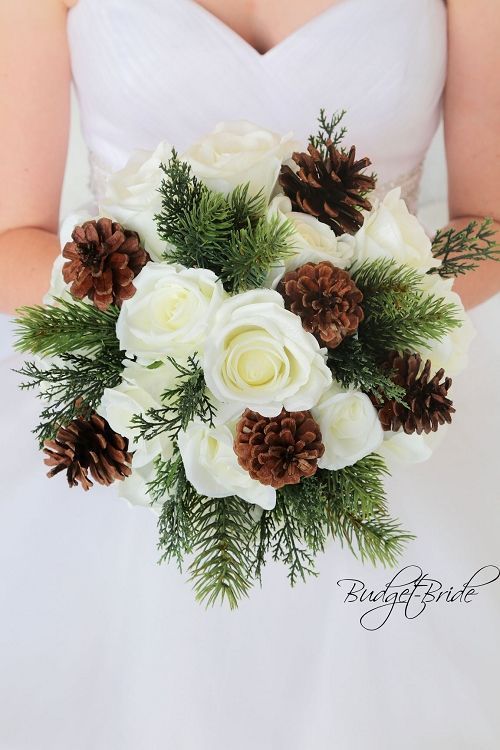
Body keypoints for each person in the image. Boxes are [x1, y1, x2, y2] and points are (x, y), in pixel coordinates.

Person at [0, 1, 499, 748]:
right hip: (131, 414)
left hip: (376, 408)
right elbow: (13, 235)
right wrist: (181, 332)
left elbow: (488, 222)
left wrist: (354, 331)